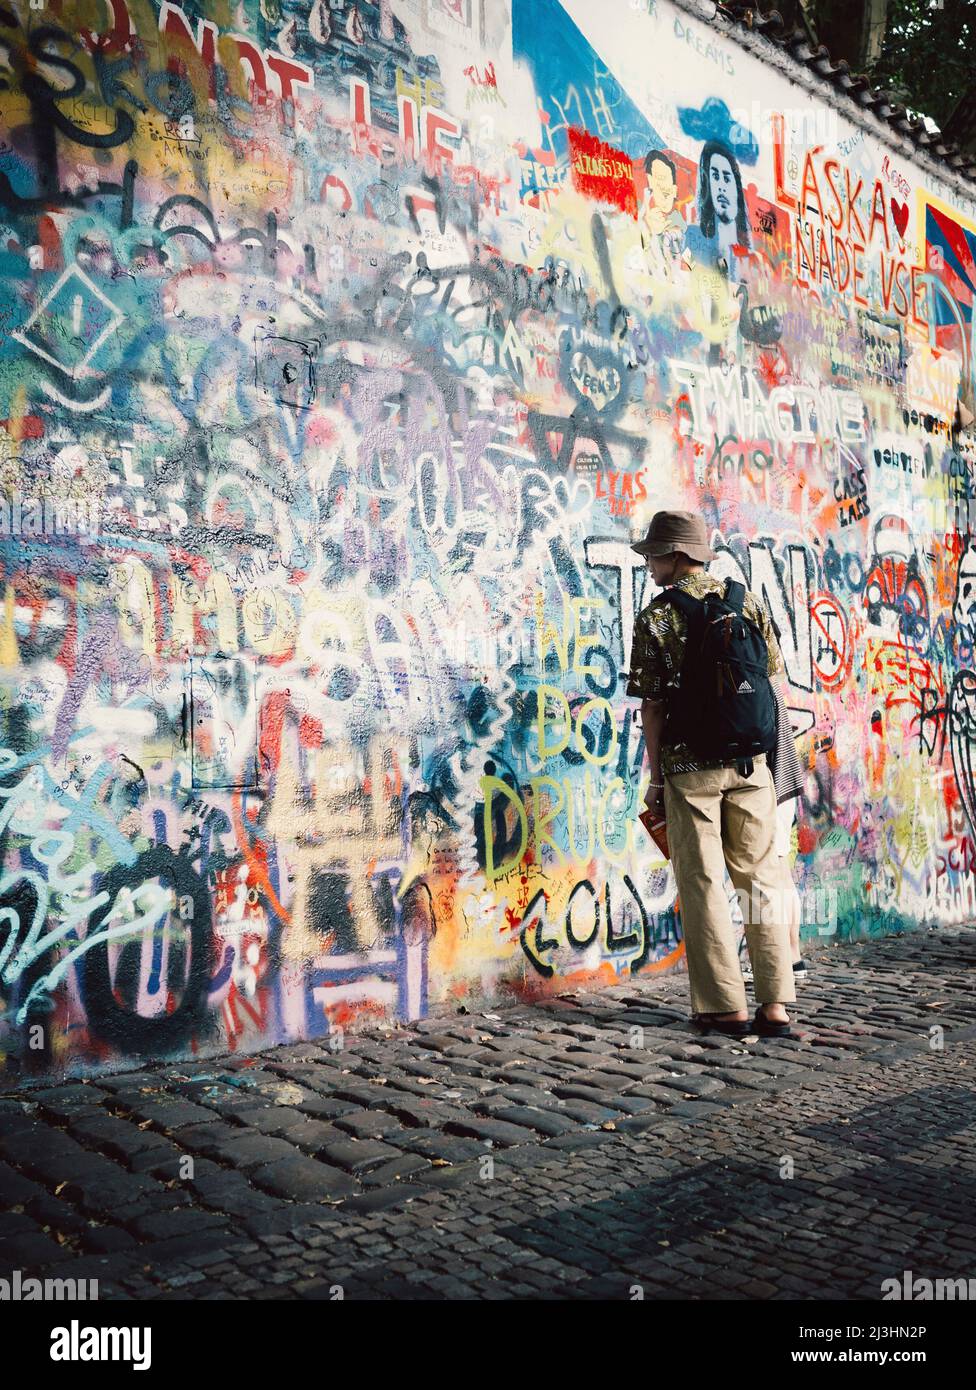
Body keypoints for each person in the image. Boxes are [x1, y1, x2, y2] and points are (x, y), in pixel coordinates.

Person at [626, 510, 796, 1037]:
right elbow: (771, 679)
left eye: (654, 554)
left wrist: (655, 780)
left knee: (702, 882)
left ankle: (725, 1005)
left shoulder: (656, 617)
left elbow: (652, 708)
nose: (649, 564)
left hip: (690, 768)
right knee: (760, 882)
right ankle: (775, 1004)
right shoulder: (745, 603)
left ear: (676, 555)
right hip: (751, 764)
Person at [683, 140, 750, 282]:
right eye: (715, 177)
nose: (721, 186)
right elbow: (683, 280)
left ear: (736, 187)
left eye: (726, 178)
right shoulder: (693, 238)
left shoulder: (747, 257)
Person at [639, 149, 686, 281]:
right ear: (650, 182)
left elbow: (690, 265)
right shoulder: (643, 217)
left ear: (674, 189)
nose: (664, 186)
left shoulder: (679, 221)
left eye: (668, 180)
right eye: (659, 178)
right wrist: (647, 226)